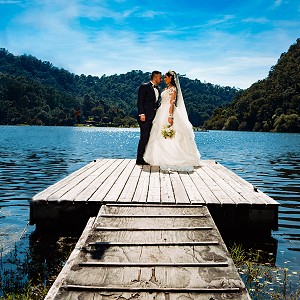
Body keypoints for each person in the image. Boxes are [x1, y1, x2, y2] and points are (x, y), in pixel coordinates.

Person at [143, 70, 201, 171]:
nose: (164, 79)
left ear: (171, 78)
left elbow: (172, 103)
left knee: (172, 134)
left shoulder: (173, 89)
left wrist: (170, 116)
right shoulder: (166, 88)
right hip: (161, 112)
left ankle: (172, 157)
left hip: (168, 112)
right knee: (158, 134)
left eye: (166, 77)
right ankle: (159, 156)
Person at [136, 71, 162, 165]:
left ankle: (146, 157)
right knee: (144, 137)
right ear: (155, 78)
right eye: (160, 78)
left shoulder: (158, 89)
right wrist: (141, 114)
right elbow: (140, 101)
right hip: (144, 116)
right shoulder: (144, 86)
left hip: (153, 117)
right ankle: (139, 159)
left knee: (150, 137)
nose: (161, 79)